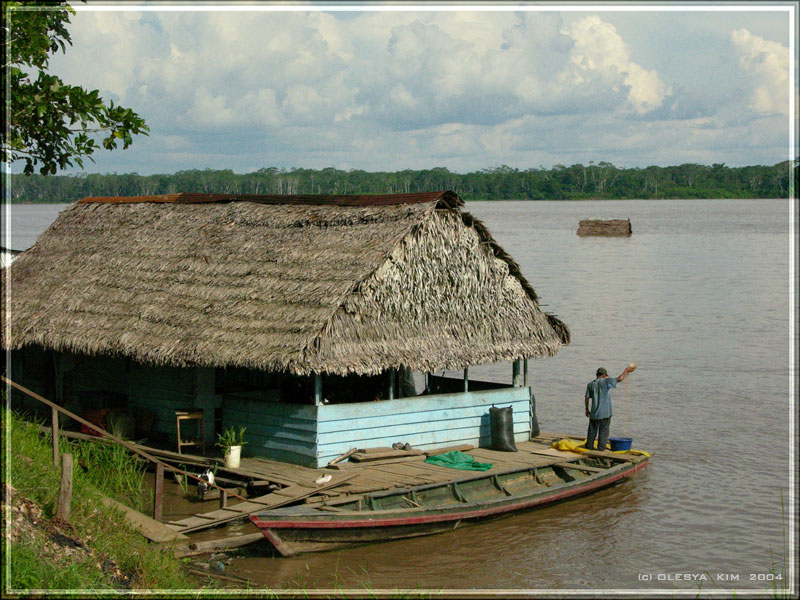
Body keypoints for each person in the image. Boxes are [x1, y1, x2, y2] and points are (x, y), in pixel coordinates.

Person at [584, 364, 636, 451]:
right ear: (604, 375)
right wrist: (626, 370)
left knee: (592, 431)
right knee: (603, 431)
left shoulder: (590, 384)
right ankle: (601, 448)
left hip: (594, 413)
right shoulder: (606, 381)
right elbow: (619, 379)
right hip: (605, 413)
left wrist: (586, 409)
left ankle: (589, 446)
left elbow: (586, 398)